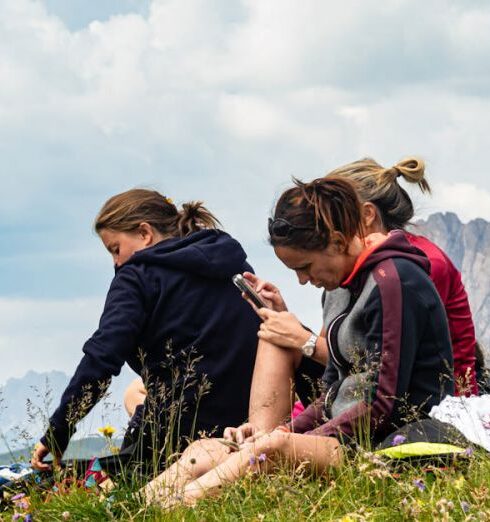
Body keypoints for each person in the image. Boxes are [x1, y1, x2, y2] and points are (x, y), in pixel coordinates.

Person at [142, 176, 454, 506]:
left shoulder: (393, 281)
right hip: (342, 435)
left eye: (305, 266)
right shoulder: (337, 289)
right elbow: (332, 390)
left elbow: (383, 402)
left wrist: (292, 440)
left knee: (269, 451)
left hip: (387, 439)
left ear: (336, 241)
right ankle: (134, 505)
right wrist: (287, 430)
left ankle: (173, 509)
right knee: (205, 449)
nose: (304, 280)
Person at [31, 189, 260, 471]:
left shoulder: (136, 276)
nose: (116, 262)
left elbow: (102, 357)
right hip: (252, 419)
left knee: (93, 479)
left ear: (144, 233)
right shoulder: (229, 260)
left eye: (116, 249)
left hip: (182, 431)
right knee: (134, 394)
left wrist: (58, 431)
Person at [246, 157, 477, 434]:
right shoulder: (349, 277)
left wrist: (303, 341)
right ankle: (260, 437)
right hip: (353, 398)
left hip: (426, 412)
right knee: (276, 334)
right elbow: (340, 355)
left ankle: (265, 447)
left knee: (285, 338)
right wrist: (294, 427)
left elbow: (382, 366)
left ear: (365, 215)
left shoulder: (409, 270)